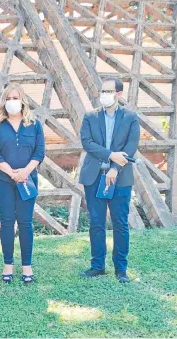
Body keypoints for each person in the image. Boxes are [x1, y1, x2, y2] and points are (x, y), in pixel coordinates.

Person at [79, 78, 140, 283]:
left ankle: (121, 269)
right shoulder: (90, 117)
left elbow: (131, 147)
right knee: (96, 223)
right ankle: (97, 266)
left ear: (119, 94)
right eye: (102, 91)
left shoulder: (130, 117)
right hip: (94, 177)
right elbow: (87, 143)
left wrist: (115, 167)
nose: (104, 94)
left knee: (120, 223)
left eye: (109, 91)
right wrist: (111, 155)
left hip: (120, 178)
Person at [0, 83, 45, 284]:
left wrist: (25, 172)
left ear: (23, 101)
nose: (13, 102)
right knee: (6, 223)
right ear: (4, 102)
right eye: (9, 99)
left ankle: (27, 266)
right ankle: (8, 264)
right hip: (4, 181)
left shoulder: (34, 124)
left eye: (16, 98)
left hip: (28, 180)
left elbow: (39, 152)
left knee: (25, 223)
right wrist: (12, 173)